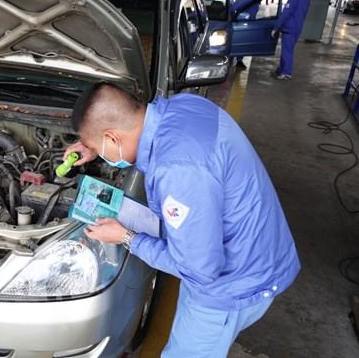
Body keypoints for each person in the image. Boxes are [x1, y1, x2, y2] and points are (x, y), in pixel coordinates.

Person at [64, 84, 300, 358]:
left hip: (232, 283)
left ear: (113, 138)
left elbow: (200, 269)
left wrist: (127, 237)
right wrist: (95, 147)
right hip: (259, 247)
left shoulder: (179, 170)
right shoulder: (182, 106)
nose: (100, 152)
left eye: (99, 146)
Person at [271, 0, 310, 80]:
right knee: (289, 50)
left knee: (287, 52)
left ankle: (286, 73)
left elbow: (285, 14)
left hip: (289, 29)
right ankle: (281, 69)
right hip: (297, 28)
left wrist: (276, 27)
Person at [230, 0, 267, 68]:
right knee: (240, 42)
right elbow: (234, 7)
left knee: (243, 43)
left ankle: (239, 59)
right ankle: (238, 60)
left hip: (249, 23)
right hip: (243, 24)